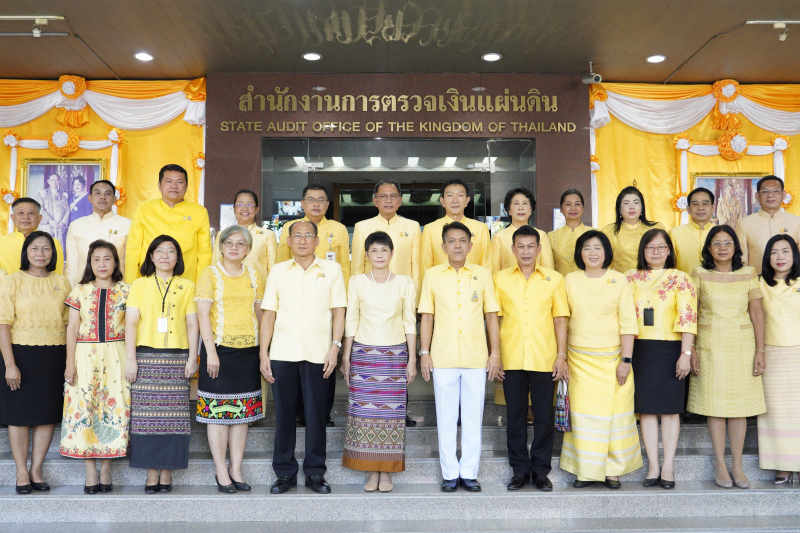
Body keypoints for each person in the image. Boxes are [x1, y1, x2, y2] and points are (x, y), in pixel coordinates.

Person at [260, 220, 347, 495]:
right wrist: (264, 352)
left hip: (319, 353)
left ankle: (315, 473)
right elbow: (269, 314)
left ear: (317, 241)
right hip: (283, 352)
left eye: (308, 235)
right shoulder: (277, 271)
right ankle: (285, 473)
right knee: (284, 415)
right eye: (297, 235)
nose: (302, 240)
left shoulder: (332, 270)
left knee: (315, 415)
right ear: (288, 241)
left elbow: (339, 312)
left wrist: (335, 346)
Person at [418, 221, 501, 493]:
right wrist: (424, 352)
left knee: (473, 417)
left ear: (470, 245)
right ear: (443, 246)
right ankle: (449, 473)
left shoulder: (483, 274)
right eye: (451, 241)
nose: (456, 245)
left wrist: (495, 353)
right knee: (445, 417)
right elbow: (427, 317)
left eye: (462, 240)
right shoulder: (432, 275)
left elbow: (491, 317)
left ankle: (469, 472)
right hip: (442, 357)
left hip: (477, 357)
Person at [561, 230, 642, 489]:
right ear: (579, 253)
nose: (593, 253)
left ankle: (612, 471)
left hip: (613, 360)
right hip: (578, 361)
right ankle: (585, 471)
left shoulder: (619, 280)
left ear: (607, 252)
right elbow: (561, 320)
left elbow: (628, 323)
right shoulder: (569, 280)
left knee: (616, 416)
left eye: (598, 247)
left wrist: (626, 361)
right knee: (584, 417)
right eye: (587, 248)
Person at [688, 225, 766, 489]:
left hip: (742, 346)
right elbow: (692, 314)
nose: (722, 247)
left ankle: (738, 466)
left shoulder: (748, 273)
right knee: (715, 406)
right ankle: (721, 465)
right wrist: (692, 351)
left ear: (736, 247)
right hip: (709, 346)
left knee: (739, 408)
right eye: (717, 243)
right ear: (708, 248)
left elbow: (756, 314)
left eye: (728, 243)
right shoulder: (699, 273)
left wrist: (760, 350)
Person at [493, 225, 568, 492]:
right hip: (511, 358)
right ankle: (519, 471)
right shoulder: (499, 279)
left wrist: (561, 355)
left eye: (530, 246)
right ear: (512, 249)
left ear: (539, 249)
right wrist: (496, 354)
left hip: (545, 358)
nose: (526, 251)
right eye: (520, 246)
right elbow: (494, 319)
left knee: (544, 417)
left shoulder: (554, 279)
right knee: (514, 417)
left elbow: (560, 319)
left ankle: (540, 471)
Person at [341, 231, 417, 492]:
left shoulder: (405, 282)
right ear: (366, 254)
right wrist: (346, 357)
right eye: (374, 250)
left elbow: (410, 322)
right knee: (364, 414)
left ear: (392, 253)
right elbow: (351, 320)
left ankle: (387, 473)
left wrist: (412, 360)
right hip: (363, 355)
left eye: (384, 250)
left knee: (391, 415)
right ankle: (371, 472)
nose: (380, 255)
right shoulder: (357, 281)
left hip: (395, 356)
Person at [125, 235, 199, 494]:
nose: (165, 256)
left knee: (174, 418)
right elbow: (131, 323)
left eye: (171, 251)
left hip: (177, 358)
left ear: (178, 258)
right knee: (146, 419)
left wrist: (192, 358)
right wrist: (131, 359)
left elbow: (192, 323)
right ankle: (150, 472)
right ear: (151, 256)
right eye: (159, 251)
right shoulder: (139, 285)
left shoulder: (188, 286)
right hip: (146, 357)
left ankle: (166, 472)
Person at [625, 229, 697, 489]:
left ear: (669, 250)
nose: (655, 252)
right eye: (650, 247)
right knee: (645, 409)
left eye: (661, 247)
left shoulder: (681, 278)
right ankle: (653, 466)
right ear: (642, 251)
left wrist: (685, 355)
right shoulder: (629, 277)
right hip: (639, 349)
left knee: (669, 410)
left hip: (671, 349)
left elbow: (688, 319)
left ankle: (668, 466)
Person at [196, 225, 265, 493]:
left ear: (248, 249)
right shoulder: (210, 274)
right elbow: (203, 315)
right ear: (221, 246)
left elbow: (260, 314)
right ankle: (220, 470)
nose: (234, 247)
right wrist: (210, 352)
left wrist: (263, 351)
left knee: (242, 413)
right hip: (219, 351)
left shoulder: (255, 275)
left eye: (240, 244)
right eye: (229, 243)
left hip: (248, 351)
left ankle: (236, 468)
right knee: (218, 412)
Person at [0, 231, 71, 494]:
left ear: (53, 254)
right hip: (20, 354)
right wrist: (10, 364)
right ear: (26, 253)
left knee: (46, 415)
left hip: (54, 355)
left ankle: (36, 469)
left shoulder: (63, 283)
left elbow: (69, 324)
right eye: (35, 248)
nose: (41, 254)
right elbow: (3, 324)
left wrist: (69, 362)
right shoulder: (12, 281)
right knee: (18, 416)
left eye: (46, 249)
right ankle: (21, 471)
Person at [276, 184, 350, 427]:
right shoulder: (290, 228)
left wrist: (343, 302)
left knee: (325, 356)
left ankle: (323, 411)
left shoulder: (338, 229)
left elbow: (344, 269)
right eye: (311, 200)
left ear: (328, 204)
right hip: (294, 300)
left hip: (326, 300)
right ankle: (299, 411)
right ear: (302, 204)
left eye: (321, 200)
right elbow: (281, 264)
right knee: (296, 360)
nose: (316, 204)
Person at [61, 240, 130, 494]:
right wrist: (70, 363)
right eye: (96, 259)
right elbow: (72, 329)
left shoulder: (127, 290)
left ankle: (107, 467)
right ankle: (90, 469)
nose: (102, 264)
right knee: (85, 407)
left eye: (108, 258)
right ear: (90, 263)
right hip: (84, 355)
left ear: (115, 262)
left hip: (116, 354)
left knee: (114, 406)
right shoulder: (80, 290)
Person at [757, 235, 800, 485]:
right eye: (774, 252)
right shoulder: (759, 283)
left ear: (794, 255)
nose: (780, 257)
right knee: (775, 412)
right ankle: (782, 465)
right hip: (771, 353)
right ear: (767, 257)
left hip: (798, 352)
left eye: (786, 251)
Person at [125, 164, 212, 284]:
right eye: (169, 181)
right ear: (159, 185)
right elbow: (132, 251)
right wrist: (131, 285)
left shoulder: (199, 212)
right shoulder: (144, 209)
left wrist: (202, 289)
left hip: (186, 281)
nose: (174, 186)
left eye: (179, 182)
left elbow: (204, 255)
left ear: (186, 187)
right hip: (148, 280)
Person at [351, 180, 421, 299]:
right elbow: (357, 267)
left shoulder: (413, 226)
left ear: (400, 200)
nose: (388, 200)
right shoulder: (361, 227)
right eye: (383, 196)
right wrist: (356, 297)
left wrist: (416, 299)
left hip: (403, 293)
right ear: (375, 201)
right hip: (370, 294)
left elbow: (416, 267)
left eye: (393, 196)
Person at [65, 180, 131, 287]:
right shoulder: (76, 225)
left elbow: (130, 264)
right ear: (90, 198)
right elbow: (71, 266)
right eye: (98, 193)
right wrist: (70, 293)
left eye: (108, 194)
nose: (102, 197)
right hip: (82, 289)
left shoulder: (127, 225)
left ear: (114, 199)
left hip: (118, 290)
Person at [421, 179, 492, 272]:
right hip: (441, 284)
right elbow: (426, 267)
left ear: (467, 200)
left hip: (474, 284)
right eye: (450, 195)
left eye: (460, 195)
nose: (455, 200)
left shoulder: (481, 228)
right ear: (442, 201)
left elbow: (487, 266)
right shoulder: (430, 229)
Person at [735, 175, 800, 275]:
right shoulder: (744, 223)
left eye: (775, 191)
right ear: (757, 196)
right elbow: (741, 260)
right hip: (757, 284)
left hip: (791, 285)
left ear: (783, 195)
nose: (770, 195)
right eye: (765, 191)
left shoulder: (797, 222)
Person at [213, 189, 277, 284]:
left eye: (250, 204)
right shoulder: (223, 234)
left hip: (258, 291)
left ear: (256, 209)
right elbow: (216, 265)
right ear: (234, 209)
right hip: (228, 288)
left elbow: (274, 270)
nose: (245, 208)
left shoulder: (267, 235)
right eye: (240, 204)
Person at [601, 186, 663, 274]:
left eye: (636, 202)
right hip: (623, 283)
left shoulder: (657, 228)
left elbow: (666, 258)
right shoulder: (608, 232)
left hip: (653, 283)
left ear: (642, 207)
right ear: (619, 209)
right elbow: (606, 266)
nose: (632, 207)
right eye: (626, 203)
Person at [491, 188, 554, 272]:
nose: (521, 208)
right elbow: (494, 271)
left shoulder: (541, 235)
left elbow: (548, 270)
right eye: (516, 203)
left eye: (525, 203)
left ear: (531, 210)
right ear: (509, 210)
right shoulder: (499, 237)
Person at [0, 198, 64, 274]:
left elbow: (57, 276)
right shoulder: (2, 242)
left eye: (31, 213)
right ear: (13, 218)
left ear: (39, 218)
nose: (26, 217)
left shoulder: (53, 243)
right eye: (21, 213)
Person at [669, 187, 716, 276]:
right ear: (688, 209)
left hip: (716, 287)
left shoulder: (722, 234)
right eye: (695, 204)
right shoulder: (674, 234)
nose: (700, 208)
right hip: (683, 287)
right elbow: (669, 267)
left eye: (705, 204)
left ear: (713, 208)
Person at [548, 189, 593, 276]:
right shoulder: (551, 236)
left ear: (583, 208)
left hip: (588, 286)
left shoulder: (594, 234)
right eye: (568, 204)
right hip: (560, 286)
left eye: (577, 204)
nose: (573, 208)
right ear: (561, 209)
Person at [38, 173, 69, 246]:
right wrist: (50, 220)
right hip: (47, 226)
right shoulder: (42, 194)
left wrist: (63, 223)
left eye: (57, 180)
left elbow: (67, 210)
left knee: (58, 248)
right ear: (48, 181)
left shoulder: (63, 195)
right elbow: (40, 208)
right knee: (45, 246)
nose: (54, 182)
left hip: (59, 226)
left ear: (59, 182)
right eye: (52, 180)